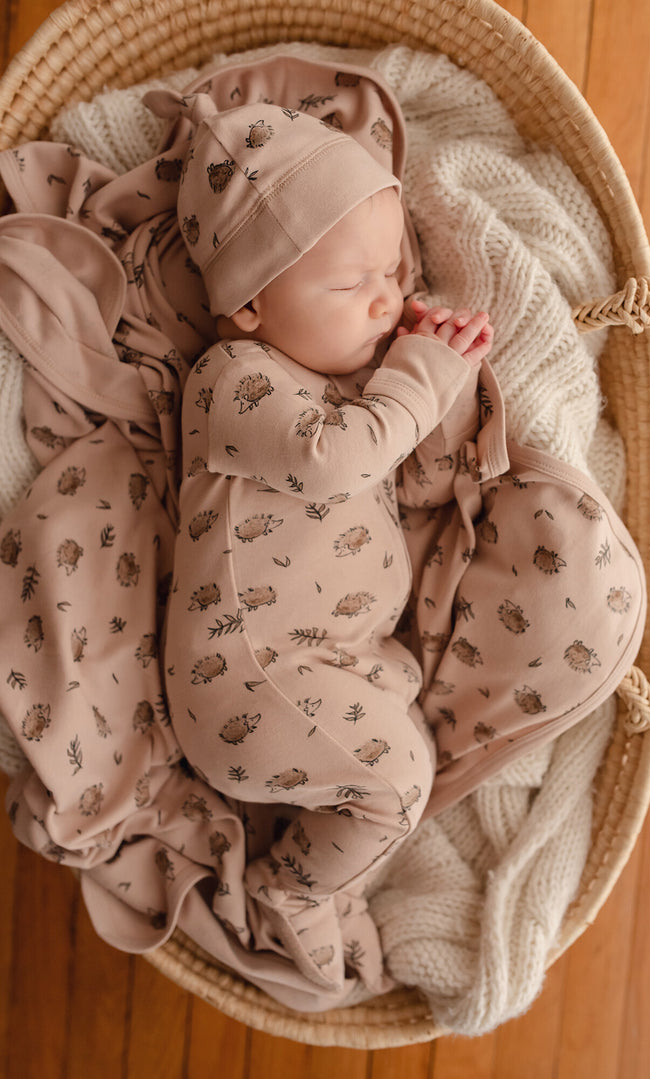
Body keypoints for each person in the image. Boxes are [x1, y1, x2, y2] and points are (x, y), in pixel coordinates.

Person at [162, 99, 493, 1002]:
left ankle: (319, 843)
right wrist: (416, 380)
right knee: (401, 778)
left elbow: (421, 479)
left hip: (332, 658)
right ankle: (291, 887)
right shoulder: (236, 380)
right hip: (247, 671)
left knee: (407, 727)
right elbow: (333, 458)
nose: (386, 297)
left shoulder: (342, 381)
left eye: (391, 271)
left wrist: (446, 377)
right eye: (354, 285)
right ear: (250, 306)